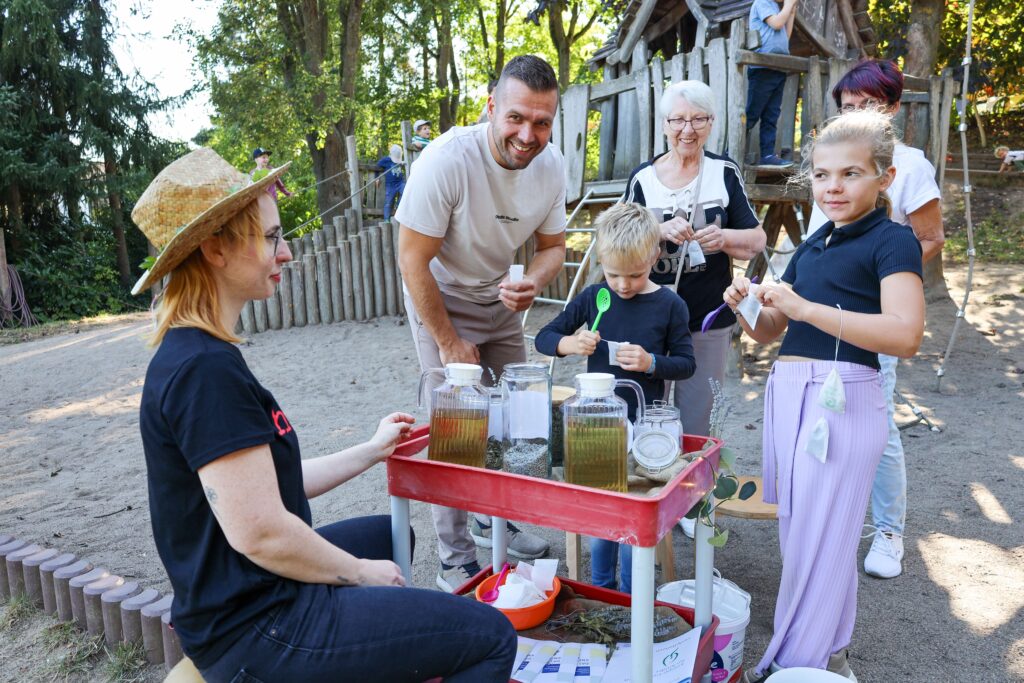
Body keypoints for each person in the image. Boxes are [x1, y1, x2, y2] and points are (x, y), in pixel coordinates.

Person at [132, 147, 516, 682]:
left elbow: (266, 489)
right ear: (215, 249)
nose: (285, 252)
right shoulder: (203, 372)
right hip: (258, 625)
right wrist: (359, 575)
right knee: (491, 637)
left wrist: (370, 450)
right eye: (270, 237)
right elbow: (261, 533)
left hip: (250, 595)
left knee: (393, 536)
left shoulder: (199, 354)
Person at [728, 110, 925, 682]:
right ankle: (828, 657)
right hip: (788, 393)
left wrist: (804, 307)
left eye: (850, 173)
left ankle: (799, 663)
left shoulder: (894, 241)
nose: (833, 186)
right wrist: (748, 302)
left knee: (822, 542)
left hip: (840, 400)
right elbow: (771, 332)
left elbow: (905, 334)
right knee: (801, 537)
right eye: (821, 175)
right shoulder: (814, 244)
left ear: (883, 178)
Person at [397, 55, 566, 592]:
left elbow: (554, 248)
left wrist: (533, 282)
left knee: (518, 418)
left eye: (541, 122)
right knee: (458, 429)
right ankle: (455, 558)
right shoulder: (445, 161)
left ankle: (494, 515)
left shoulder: (552, 165)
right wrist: (448, 341)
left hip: (502, 299)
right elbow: (411, 260)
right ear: (490, 107)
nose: (527, 134)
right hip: (440, 296)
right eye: (516, 117)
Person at [807, 59, 945, 579]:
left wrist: (882, 275)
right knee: (824, 411)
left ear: (891, 107)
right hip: (823, 311)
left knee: (877, 421)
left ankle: (889, 530)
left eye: (866, 106)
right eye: (847, 107)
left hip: (876, 315)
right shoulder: (834, 161)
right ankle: (833, 518)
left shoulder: (909, 165)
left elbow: (929, 238)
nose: (855, 115)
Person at [624, 80, 765, 534]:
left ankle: (690, 499)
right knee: (644, 405)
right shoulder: (643, 179)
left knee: (697, 410)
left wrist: (723, 239)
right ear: (664, 124)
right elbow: (619, 243)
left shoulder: (723, 173)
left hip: (707, 316)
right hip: (648, 316)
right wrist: (657, 232)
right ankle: (650, 488)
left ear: (711, 123)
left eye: (699, 119)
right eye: (679, 120)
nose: (688, 129)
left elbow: (757, 239)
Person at [534, 203, 695, 593]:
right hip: (597, 425)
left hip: (644, 428)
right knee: (602, 510)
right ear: (602, 263)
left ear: (654, 257)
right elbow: (544, 338)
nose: (622, 285)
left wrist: (651, 362)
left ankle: (630, 592)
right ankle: (603, 589)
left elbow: (686, 363)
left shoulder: (670, 304)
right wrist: (571, 343)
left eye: (635, 275)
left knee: (630, 513)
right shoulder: (594, 298)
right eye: (614, 274)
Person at [746, 0, 799, 166]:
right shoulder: (762, 2)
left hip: (777, 67)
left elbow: (786, 36)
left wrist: (791, 13)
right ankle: (731, 150)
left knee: (772, 115)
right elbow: (776, 24)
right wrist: (788, 6)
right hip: (762, 66)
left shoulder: (777, 8)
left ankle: (768, 154)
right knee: (752, 113)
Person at [375, 144, 406, 222]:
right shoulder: (386, 160)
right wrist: (377, 178)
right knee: (388, 202)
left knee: (405, 192)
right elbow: (377, 167)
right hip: (390, 185)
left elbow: (403, 163)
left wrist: (403, 163)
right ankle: (386, 219)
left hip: (400, 183)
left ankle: (398, 205)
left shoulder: (399, 161)